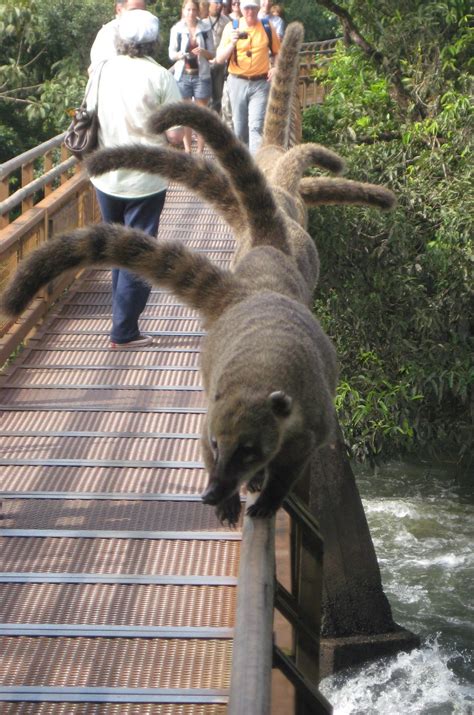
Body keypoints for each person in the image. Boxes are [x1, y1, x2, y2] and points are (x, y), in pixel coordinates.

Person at [90, 9, 184, 348]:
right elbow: (175, 136)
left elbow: (89, 113)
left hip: (106, 177)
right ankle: (124, 331)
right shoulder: (161, 77)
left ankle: (121, 320)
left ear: (121, 39)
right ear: (154, 42)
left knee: (118, 248)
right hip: (145, 180)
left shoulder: (102, 70)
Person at [216, 0, 280, 153]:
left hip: (260, 83)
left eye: (253, 8)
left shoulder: (266, 26)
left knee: (256, 127)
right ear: (241, 9)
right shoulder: (232, 27)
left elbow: (278, 52)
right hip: (237, 82)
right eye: (247, 8)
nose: (250, 12)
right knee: (240, 129)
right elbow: (219, 59)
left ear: (258, 8)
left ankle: (256, 167)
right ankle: (243, 166)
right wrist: (232, 43)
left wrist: (276, 67)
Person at [169, 0, 215, 153]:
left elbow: (212, 54)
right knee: (186, 116)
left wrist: (203, 52)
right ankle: (188, 150)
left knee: (201, 116)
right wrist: (180, 55)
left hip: (201, 76)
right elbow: (171, 54)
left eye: (194, 10)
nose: (191, 13)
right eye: (188, 10)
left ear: (197, 11)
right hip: (183, 76)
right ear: (183, 11)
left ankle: (200, 152)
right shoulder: (177, 29)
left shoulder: (205, 28)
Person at [89, 0, 146, 72]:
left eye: (142, 11)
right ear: (119, 10)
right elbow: (105, 70)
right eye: (133, 10)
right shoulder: (109, 33)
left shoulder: (144, 32)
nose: (138, 15)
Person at [207, 0, 230, 114]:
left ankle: (217, 119)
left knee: (218, 95)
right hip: (205, 63)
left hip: (220, 63)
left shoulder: (226, 21)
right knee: (206, 95)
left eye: (220, 3)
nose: (219, 5)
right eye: (216, 2)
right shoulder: (202, 20)